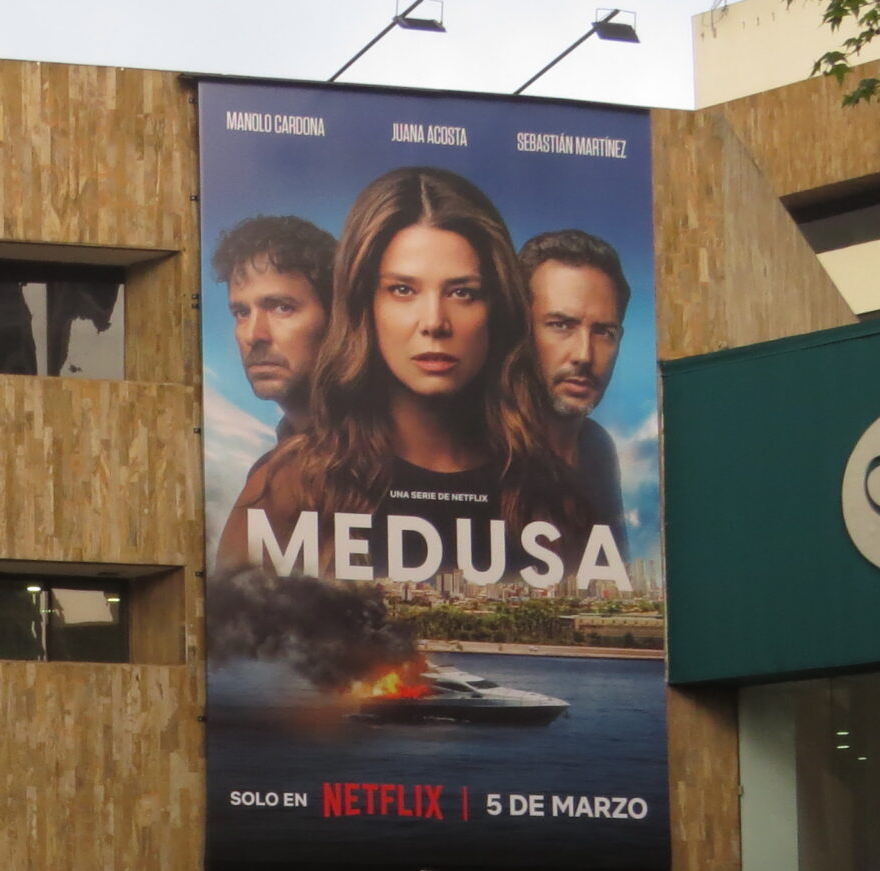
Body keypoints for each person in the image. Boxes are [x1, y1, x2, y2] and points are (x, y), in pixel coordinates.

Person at [220, 166, 596, 580]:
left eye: (462, 292)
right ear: (366, 304)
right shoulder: (293, 484)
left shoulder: (554, 494)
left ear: (497, 307)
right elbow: (232, 638)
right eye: (403, 290)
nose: (434, 322)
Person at [518, 229, 631, 550]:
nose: (584, 354)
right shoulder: (476, 451)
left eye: (603, 332)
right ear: (519, 329)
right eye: (561, 325)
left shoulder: (596, 447)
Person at [214, 213, 336, 437]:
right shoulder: (276, 463)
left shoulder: (391, 451)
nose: (254, 335)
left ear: (335, 317)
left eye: (282, 308)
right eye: (242, 313)